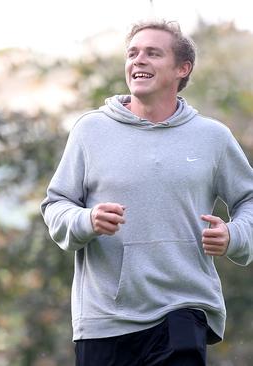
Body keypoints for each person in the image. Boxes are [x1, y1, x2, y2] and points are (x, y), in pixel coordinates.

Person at [40, 19, 253, 365]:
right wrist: (87, 219)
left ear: (182, 69)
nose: (138, 60)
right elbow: (56, 205)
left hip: (182, 310)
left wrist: (234, 234)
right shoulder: (90, 131)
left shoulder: (212, 137)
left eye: (153, 53)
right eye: (133, 53)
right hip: (104, 320)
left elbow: (249, 200)